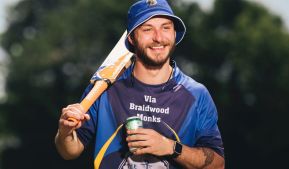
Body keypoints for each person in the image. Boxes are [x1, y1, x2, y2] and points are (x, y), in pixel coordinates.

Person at [55, 0, 225, 168]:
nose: (158, 38)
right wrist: (65, 132)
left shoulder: (196, 94)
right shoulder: (105, 88)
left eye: (166, 27)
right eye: (147, 29)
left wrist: (170, 147)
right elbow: (69, 152)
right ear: (132, 39)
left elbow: (218, 164)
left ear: (174, 34)